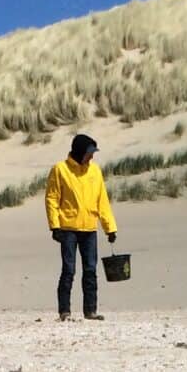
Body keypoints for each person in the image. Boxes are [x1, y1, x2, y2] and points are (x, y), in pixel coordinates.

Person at [44, 133, 118, 322]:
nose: (92, 156)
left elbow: (102, 201)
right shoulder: (60, 170)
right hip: (67, 228)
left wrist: (110, 227)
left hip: (89, 228)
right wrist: (55, 226)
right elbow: (52, 199)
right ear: (79, 152)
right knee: (69, 270)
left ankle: (90, 311)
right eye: (89, 152)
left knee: (91, 270)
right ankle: (64, 311)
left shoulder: (95, 171)